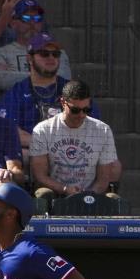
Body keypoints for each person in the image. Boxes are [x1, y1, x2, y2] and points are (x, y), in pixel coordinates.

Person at [30, 80, 121, 208]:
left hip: (91, 194)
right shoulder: (43, 130)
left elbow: (103, 179)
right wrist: (65, 189)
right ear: (62, 103)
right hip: (56, 194)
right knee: (43, 194)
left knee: (114, 199)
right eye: (75, 110)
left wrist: (87, 195)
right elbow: (40, 176)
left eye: (86, 109)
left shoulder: (103, 130)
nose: (81, 115)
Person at [1, 32, 97, 151]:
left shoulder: (74, 90)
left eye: (55, 54)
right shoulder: (16, 93)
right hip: (33, 152)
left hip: (73, 151)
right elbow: (8, 130)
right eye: (44, 53)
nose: (51, 58)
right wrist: (46, 146)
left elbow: (94, 127)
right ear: (29, 58)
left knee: (114, 166)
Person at [0, 0, 72, 92]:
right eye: (26, 19)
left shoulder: (56, 52)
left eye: (37, 19)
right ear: (13, 23)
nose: (32, 23)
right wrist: (48, 75)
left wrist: (15, 74)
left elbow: (64, 79)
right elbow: (3, 82)